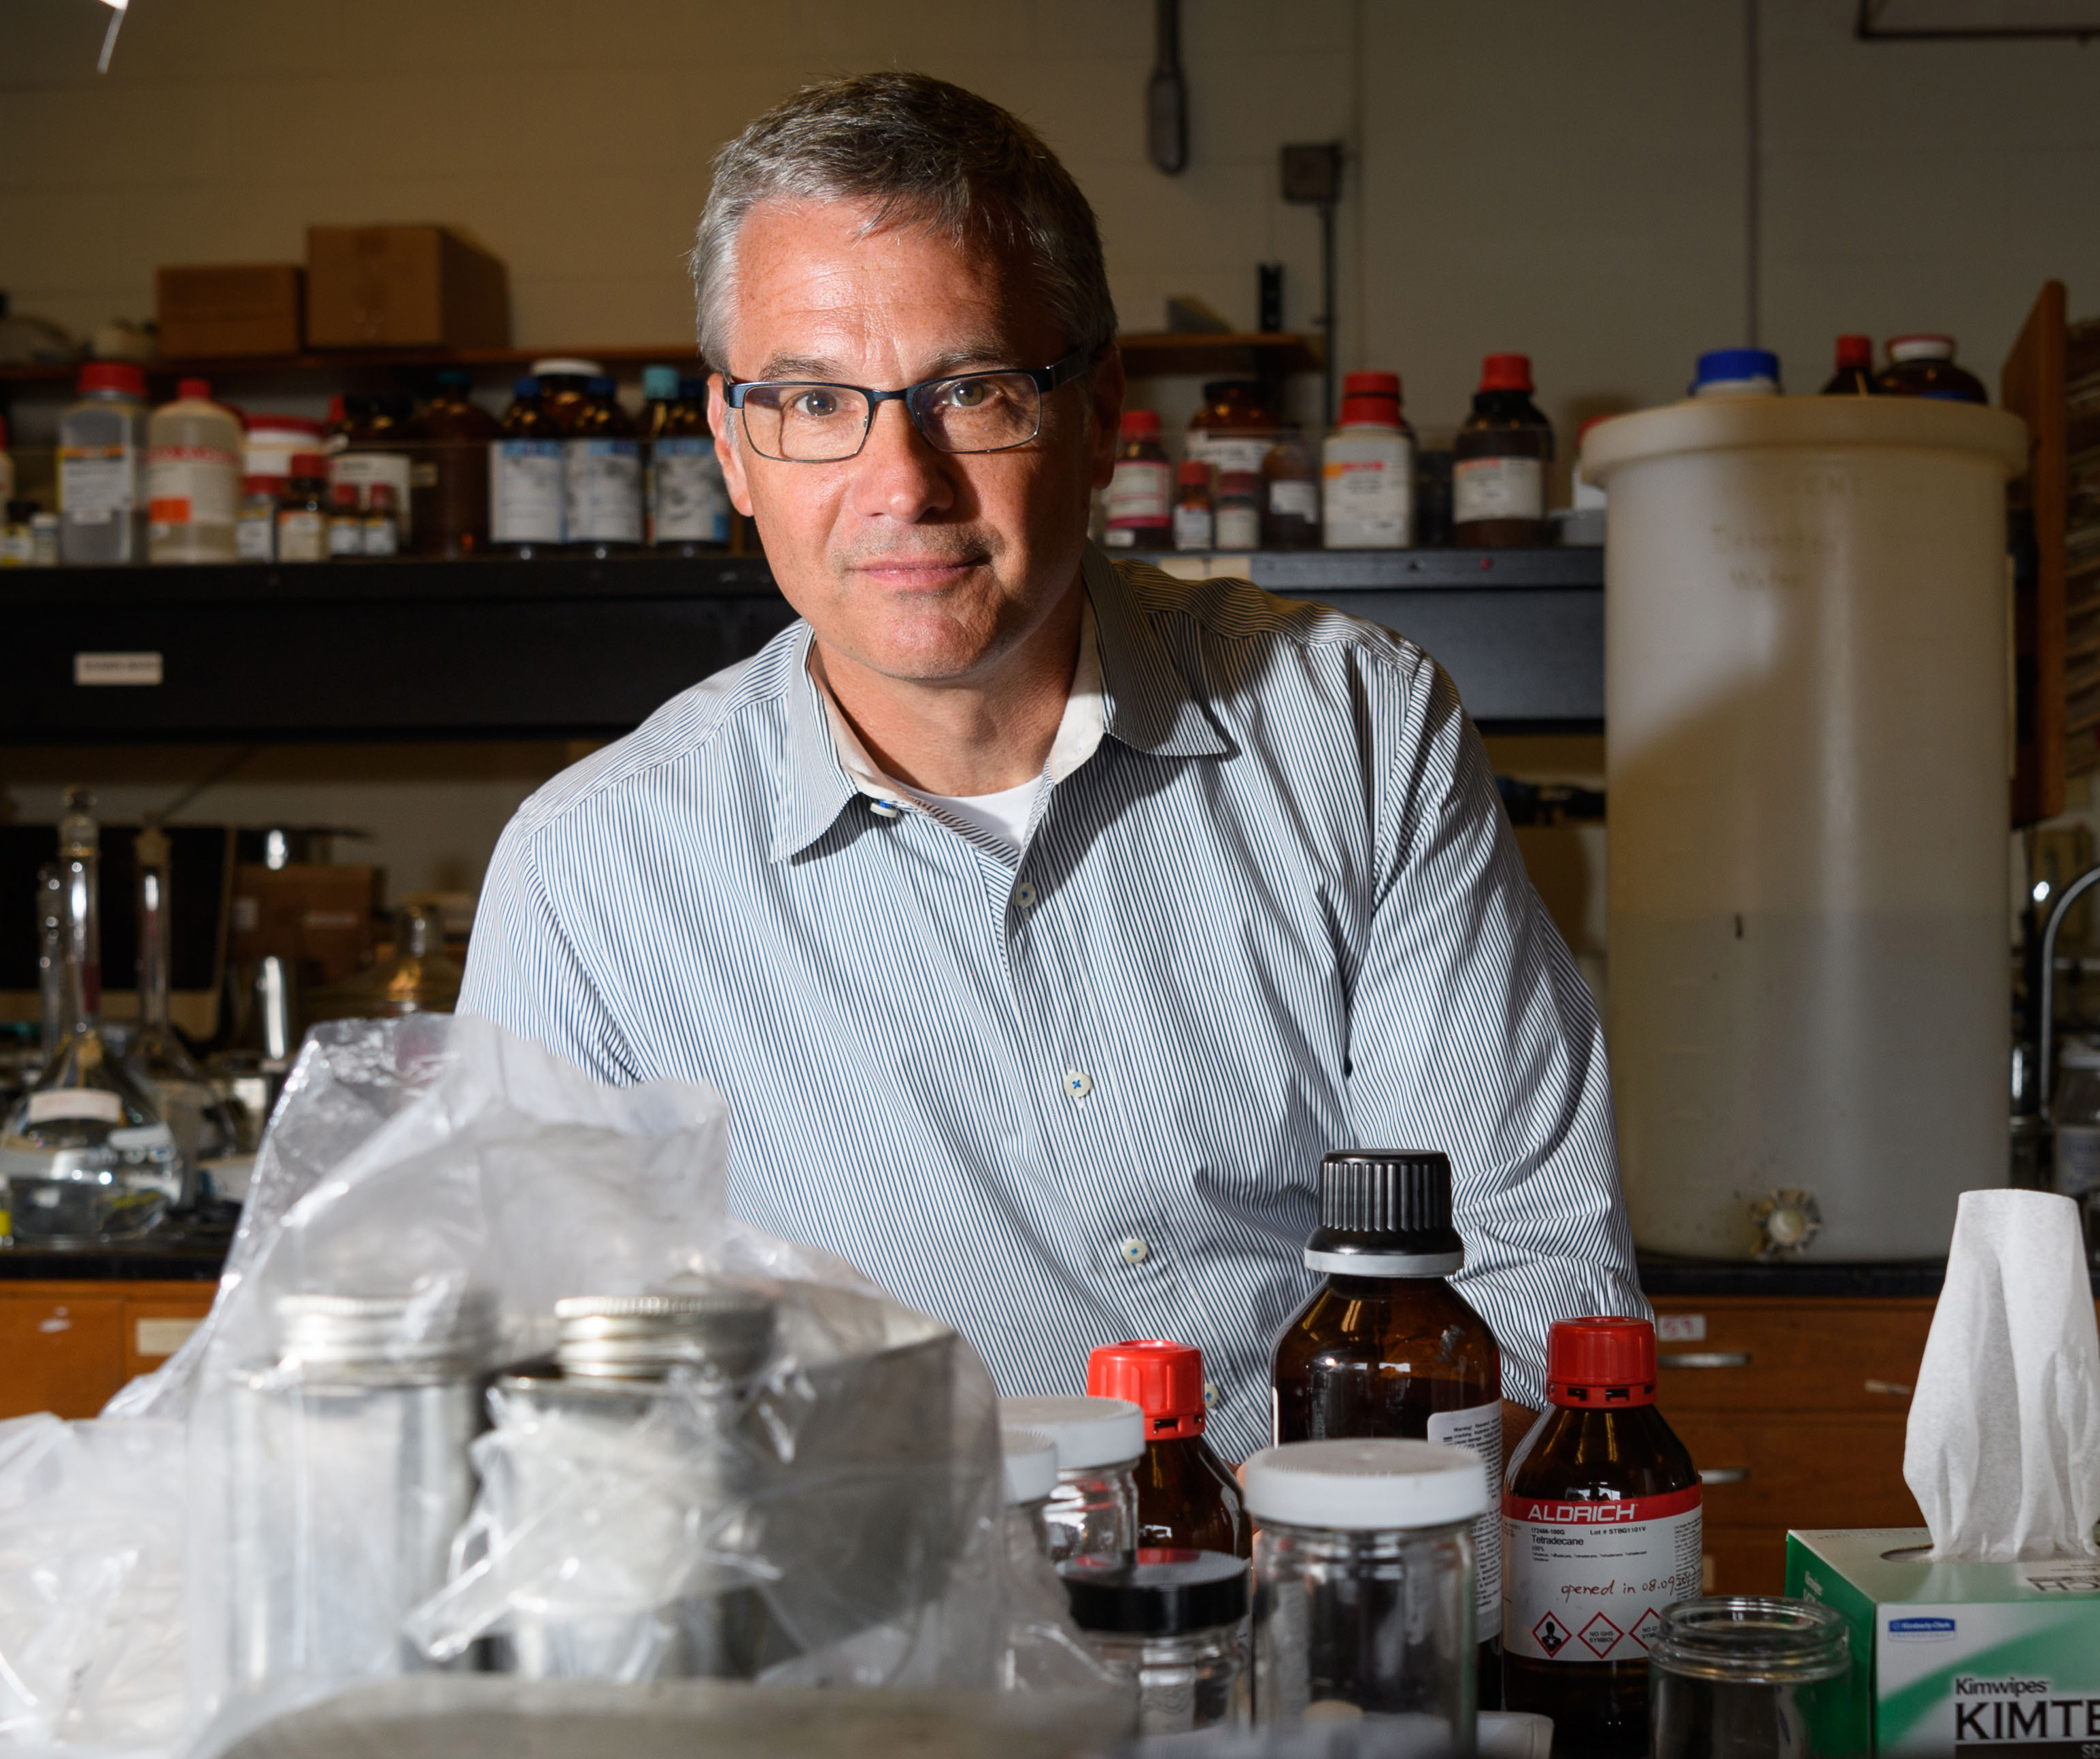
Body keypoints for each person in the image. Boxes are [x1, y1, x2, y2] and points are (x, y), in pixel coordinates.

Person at [459, 71, 1636, 1453]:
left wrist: (1320, 1593)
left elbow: (1526, 1272)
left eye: (971, 390)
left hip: (1348, 1612)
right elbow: (538, 1400)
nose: (902, 484)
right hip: (888, 1646)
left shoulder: (1356, 737)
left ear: (1101, 413)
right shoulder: (590, 876)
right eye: (815, 402)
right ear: (733, 445)